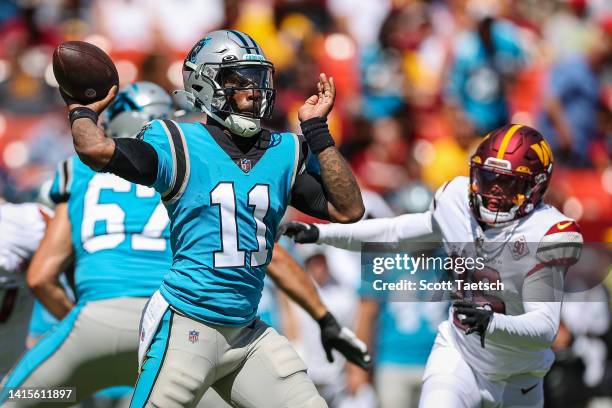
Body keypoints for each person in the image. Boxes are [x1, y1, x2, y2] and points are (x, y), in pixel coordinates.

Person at [1, 79, 369, 407]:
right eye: (241, 81)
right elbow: (280, 264)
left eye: (259, 79)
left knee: (19, 399)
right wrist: (324, 317)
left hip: (243, 332)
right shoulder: (175, 146)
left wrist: (317, 131)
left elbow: (349, 209)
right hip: (187, 323)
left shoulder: (280, 150)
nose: (255, 90)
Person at [281, 124, 584, 407]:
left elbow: (545, 326)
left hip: (520, 374)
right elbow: (395, 233)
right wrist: (324, 233)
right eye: (488, 177)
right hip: (460, 355)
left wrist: (492, 323)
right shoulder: (457, 200)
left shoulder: (546, 232)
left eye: (508, 184)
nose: (493, 192)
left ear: (535, 187)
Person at [0, 200, 50, 379]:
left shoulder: (29, 221)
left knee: (63, 394)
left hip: (12, 372)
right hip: (13, 371)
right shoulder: (30, 220)